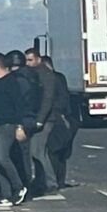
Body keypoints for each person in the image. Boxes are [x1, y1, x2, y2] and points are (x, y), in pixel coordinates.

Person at [0, 53, 28, 205]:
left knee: (2, 156)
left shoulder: (11, 82)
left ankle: (19, 188)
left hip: (7, 125)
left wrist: (19, 126)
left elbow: (19, 106)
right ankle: (5, 194)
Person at [25, 47, 59, 196]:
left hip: (45, 119)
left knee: (37, 151)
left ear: (38, 59)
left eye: (30, 60)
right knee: (38, 151)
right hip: (40, 118)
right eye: (26, 60)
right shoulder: (35, 73)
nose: (27, 63)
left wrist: (40, 120)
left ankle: (50, 182)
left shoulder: (45, 75)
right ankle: (41, 181)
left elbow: (47, 99)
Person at [42, 55, 74, 189]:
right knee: (61, 152)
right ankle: (59, 180)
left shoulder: (50, 79)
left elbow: (59, 98)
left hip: (56, 117)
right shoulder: (60, 77)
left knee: (52, 150)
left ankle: (54, 180)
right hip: (65, 117)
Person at [6, 50, 37, 190]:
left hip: (21, 120)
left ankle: (23, 185)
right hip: (31, 118)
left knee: (19, 154)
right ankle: (28, 183)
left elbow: (17, 103)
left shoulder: (16, 80)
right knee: (26, 153)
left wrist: (18, 124)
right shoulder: (32, 76)